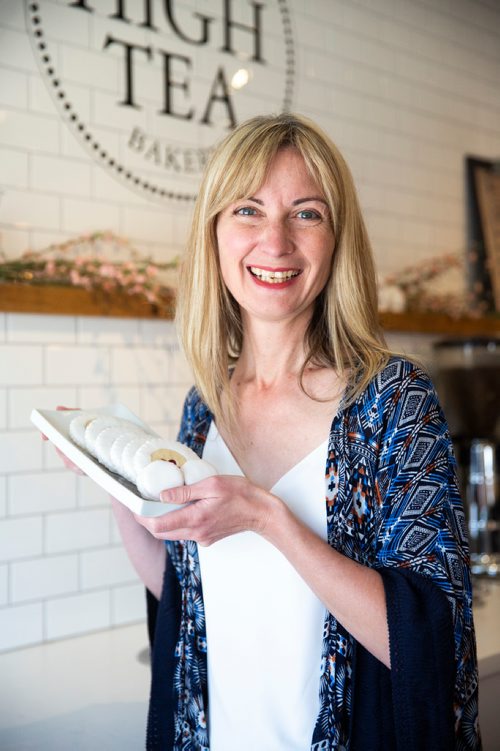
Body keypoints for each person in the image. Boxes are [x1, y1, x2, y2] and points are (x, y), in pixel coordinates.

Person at [72, 113, 481, 750]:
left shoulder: (392, 400)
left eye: (307, 213)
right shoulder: (204, 406)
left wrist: (268, 518)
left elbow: (434, 646)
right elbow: (186, 596)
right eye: (247, 210)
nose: (276, 241)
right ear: (213, 233)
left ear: (337, 238)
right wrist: (112, 478)